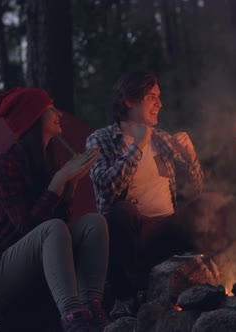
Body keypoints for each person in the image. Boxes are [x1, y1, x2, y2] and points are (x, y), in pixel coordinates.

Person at [0, 87, 110, 332]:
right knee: (52, 229)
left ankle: (91, 306)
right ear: (34, 118)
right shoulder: (3, 165)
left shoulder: (49, 161)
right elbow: (29, 227)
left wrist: (72, 183)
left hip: (33, 268)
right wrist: (59, 180)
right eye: (50, 109)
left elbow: (60, 224)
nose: (59, 114)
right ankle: (72, 316)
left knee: (94, 222)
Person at [86, 72, 204, 320]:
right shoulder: (101, 139)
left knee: (209, 205)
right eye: (152, 97)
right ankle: (124, 298)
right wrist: (137, 147)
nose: (159, 104)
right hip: (132, 234)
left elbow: (194, 191)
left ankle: (205, 282)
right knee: (120, 212)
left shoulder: (162, 139)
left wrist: (191, 159)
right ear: (129, 101)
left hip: (167, 228)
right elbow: (107, 189)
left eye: (159, 97)